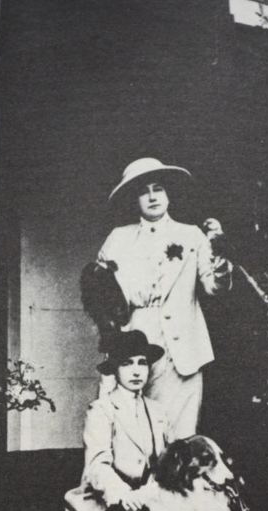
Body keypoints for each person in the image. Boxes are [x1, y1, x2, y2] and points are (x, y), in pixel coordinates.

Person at [96, 157, 233, 439]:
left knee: (180, 434)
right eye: (143, 192)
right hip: (133, 346)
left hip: (183, 353)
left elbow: (214, 288)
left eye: (158, 188)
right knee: (130, 431)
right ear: (134, 200)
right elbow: (101, 296)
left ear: (168, 194)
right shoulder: (118, 239)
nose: (152, 197)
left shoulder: (191, 235)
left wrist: (219, 250)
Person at [64, 330, 169, 511]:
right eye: (127, 364)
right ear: (115, 369)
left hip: (148, 500)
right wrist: (125, 495)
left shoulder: (158, 411)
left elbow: (165, 463)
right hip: (107, 504)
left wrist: (151, 491)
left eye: (142, 363)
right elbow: (97, 467)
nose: (136, 372)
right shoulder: (102, 409)